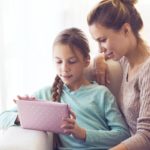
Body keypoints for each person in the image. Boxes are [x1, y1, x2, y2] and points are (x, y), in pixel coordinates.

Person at [0, 27, 130, 149]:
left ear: (86, 60)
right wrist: (28, 112)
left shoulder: (101, 93)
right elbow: (3, 117)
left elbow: (123, 134)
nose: (64, 68)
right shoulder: (47, 94)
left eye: (72, 61)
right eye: (58, 61)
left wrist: (83, 134)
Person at [87, 0, 150, 150]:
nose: (100, 48)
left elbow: (147, 137)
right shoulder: (126, 60)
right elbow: (102, 53)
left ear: (126, 30)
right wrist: (99, 58)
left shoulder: (147, 69)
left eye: (103, 40)